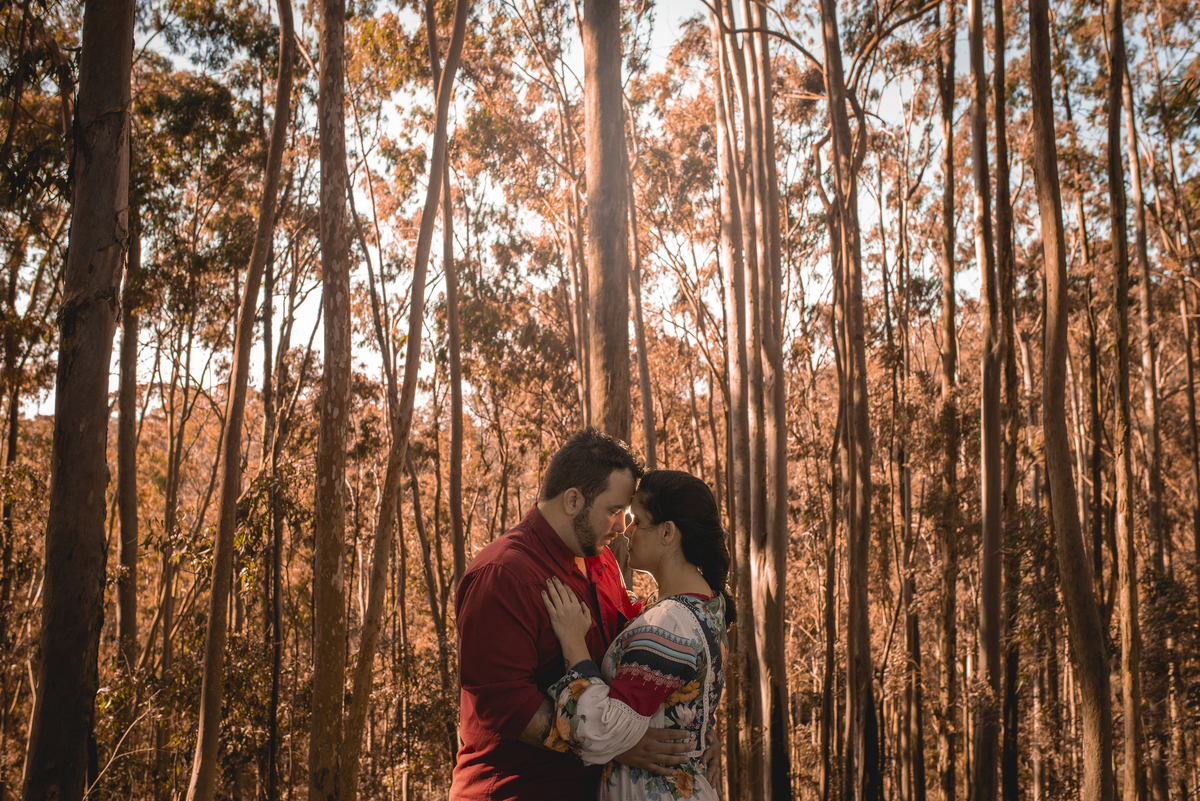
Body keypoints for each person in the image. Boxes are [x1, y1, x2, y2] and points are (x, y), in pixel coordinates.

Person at [450, 429, 696, 800]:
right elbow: (507, 709)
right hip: (515, 790)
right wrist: (617, 744)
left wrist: (687, 737)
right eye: (613, 511)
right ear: (572, 500)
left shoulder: (601, 558)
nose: (621, 526)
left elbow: (629, 659)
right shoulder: (503, 575)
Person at [540, 469, 733, 801]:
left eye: (637, 521)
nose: (625, 532)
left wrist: (574, 644)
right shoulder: (708, 603)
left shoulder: (667, 626)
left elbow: (601, 732)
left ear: (668, 533)